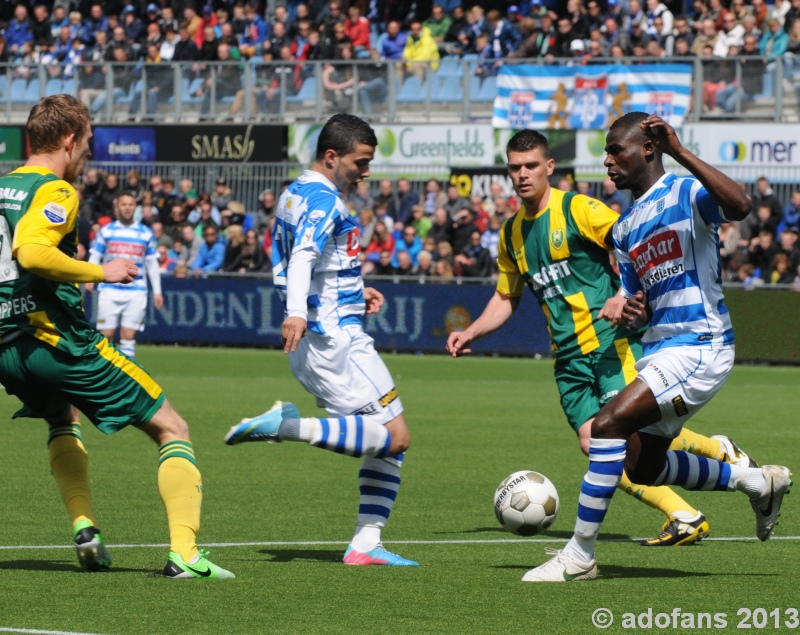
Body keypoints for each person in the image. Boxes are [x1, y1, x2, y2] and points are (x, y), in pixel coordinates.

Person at [446, 128, 760, 551]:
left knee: (616, 430)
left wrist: (623, 295)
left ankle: (704, 475)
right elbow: (507, 296)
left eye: (531, 166)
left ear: (549, 168)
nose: (522, 175)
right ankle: (690, 504)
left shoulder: (578, 209)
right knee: (595, 441)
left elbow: (633, 238)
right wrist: (472, 332)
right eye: (515, 168)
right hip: (567, 357)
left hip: (609, 343)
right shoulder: (510, 234)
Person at [521, 112, 791, 582]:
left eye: (615, 150)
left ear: (648, 149)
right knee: (640, 466)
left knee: (606, 425)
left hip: (702, 345)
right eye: (606, 152)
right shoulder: (625, 229)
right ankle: (756, 481)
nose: (607, 160)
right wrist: (631, 310)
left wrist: (680, 151)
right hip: (662, 347)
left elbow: (742, 205)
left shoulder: (685, 193)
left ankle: (579, 555)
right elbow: (639, 300)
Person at [0, 95, 233, 579]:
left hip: (8, 347)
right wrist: (99, 270)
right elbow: (33, 252)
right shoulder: (57, 191)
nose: (88, 153)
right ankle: (186, 556)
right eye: (87, 142)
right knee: (172, 426)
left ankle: (85, 527)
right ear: (68, 140)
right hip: (59, 343)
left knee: (62, 419)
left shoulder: (3, 188)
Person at [224, 114, 416, 567]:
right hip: (337, 341)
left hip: (323, 335)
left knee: (385, 440)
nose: (366, 172)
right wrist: (295, 312)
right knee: (396, 437)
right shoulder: (326, 201)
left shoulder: (295, 193)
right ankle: (285, 427)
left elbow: (317, 261)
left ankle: (366, 544)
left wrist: (354, 289)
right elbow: (304, 257)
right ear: (332, 157)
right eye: (360, 161)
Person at [85, 193, 162, 359]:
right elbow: (95, 255)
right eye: (123, 204)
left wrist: (157, 291)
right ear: (117, 208)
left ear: (136, 207)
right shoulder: (106, 231)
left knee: (128, 336)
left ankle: (127, 375)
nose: (127, 208)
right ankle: (105, 375)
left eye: (131, 204)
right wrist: (90, 277)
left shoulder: (146, 233)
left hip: (136, 291)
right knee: (106, 335)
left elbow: (152, 264)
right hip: (109, 289)